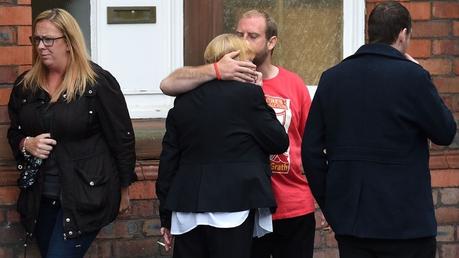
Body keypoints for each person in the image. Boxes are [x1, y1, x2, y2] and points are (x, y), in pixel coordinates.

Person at [301, 2, 456, 258]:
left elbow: (310, 151)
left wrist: (332, 205)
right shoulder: (413, 77)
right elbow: (445, 132)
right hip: (407, 224)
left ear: (369, 33)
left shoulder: (332, 78)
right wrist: (421, 73)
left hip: (353, 222)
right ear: (402, 34)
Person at [160, 10, 316, 258]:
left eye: (252, 35)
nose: (244, 42)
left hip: (283, 203)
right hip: (238, 205)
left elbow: (311, 144)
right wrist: (222, 74)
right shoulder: (244, 94)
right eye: (239, 35)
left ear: (272, 42)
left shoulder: (293, 84)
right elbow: (277, 140)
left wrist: (165, 214)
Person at [7, 8, 137, 258]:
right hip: (40, 195)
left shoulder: (96, 83)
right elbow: (15, 133)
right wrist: (27, 143)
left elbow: (122, 138)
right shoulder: (26, 86)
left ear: (68, 41)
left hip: (85, 195)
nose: (41, 46)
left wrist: (124, 189)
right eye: (37, 39)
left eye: (49, 39)